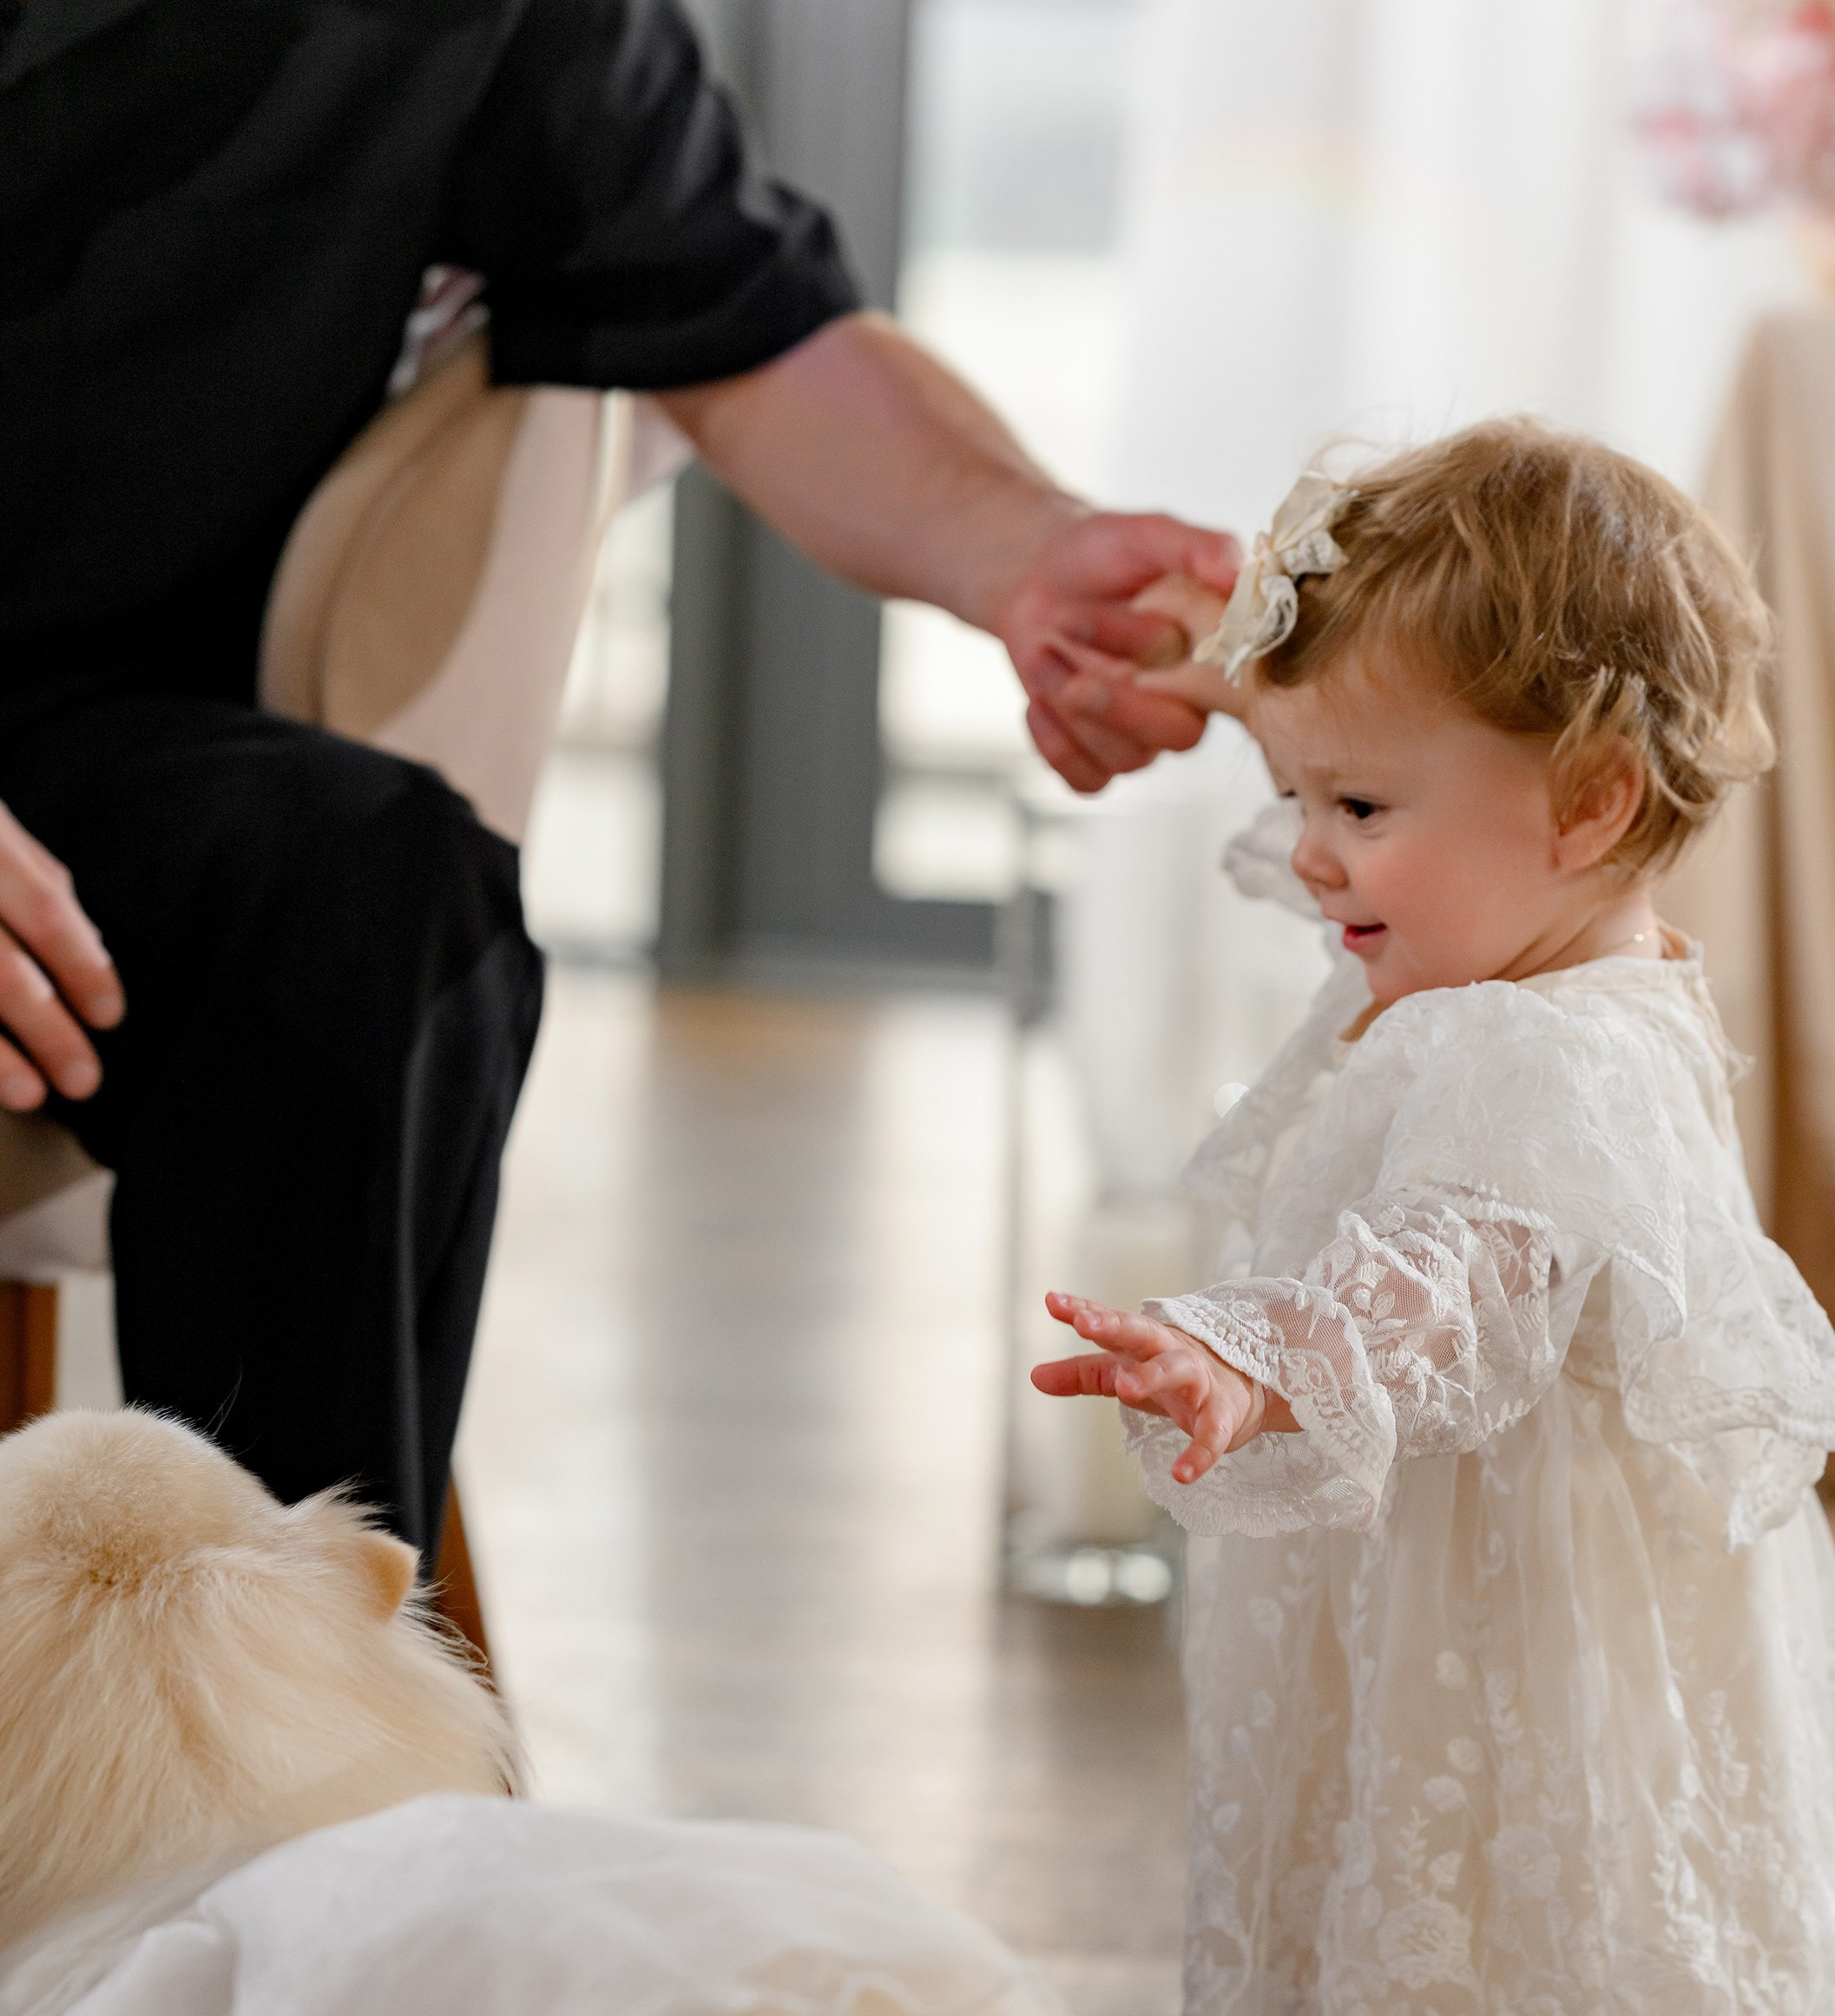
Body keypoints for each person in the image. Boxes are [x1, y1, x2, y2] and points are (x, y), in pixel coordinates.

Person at [0, 0, 1230, 1553]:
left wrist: (1025, 552)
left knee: (371, 894)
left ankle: (279, 1735)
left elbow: (751, 324)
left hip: (103, 740)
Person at [1032, 420, 1835, 2016]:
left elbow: (1448, 1278)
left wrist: (1262, 1361)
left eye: (1355, 809)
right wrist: (1254, 680)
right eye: (1300, 801)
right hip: (1420, 1561)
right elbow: (1370, 819)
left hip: (1496, 1613)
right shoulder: (1506, 941)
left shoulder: (1542, 1049)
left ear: (1590, 800)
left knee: (1440, 1952)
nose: (1314, 857)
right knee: (1370, 1923)